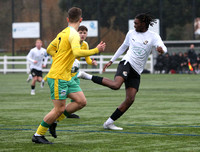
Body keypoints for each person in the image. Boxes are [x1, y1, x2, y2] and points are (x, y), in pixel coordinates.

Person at [78, 13, 167, 130]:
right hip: (126, 63)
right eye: (134, 23)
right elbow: (123, 47)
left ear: (143, 24)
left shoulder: (153, 36)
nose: (134, 25)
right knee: (116, 85)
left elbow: (163, 47)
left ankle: (109, 123)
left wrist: (161, 50)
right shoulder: (131, 33)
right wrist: (111, 61)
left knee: (130, 99)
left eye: (136, 23)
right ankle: (87, 76)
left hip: (137, 70)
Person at [32, 7, 106, 144]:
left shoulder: (63, 33)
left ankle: (54, 122)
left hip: (67, 76)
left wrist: (60, 56)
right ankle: (38, 134)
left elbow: (49, 49)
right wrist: (96, 50)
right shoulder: (74, 35)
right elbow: (77, 53)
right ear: (81, 19)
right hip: (58, 76)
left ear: (67, 19)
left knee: (81, 101)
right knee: (59, 108)